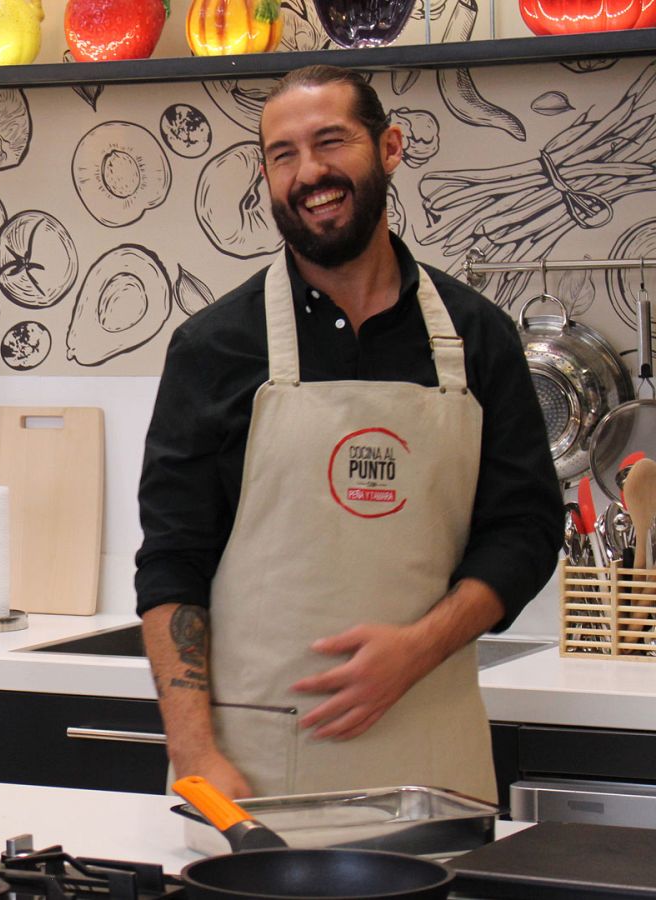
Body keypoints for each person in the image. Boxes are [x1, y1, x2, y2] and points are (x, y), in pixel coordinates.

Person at [134, 65, 560, 803]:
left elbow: (525, 529)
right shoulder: (213, 348)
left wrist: (416, 649)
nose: (310, 173)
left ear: (389, 148)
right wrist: (194, 749)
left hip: (434, 763)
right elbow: (173, 560)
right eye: (284, 154)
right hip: (255, 772)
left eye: (331, 142)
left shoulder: (476, 335)